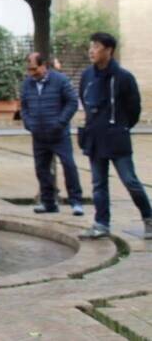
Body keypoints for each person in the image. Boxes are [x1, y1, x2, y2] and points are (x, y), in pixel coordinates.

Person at [77, 32, 151, 240]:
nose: (91, 50)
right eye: (90, 45)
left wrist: (120, 127)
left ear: (109, 50)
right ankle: (101, 223)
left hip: (117, 138)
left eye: (97, 46)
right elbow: (85, 98)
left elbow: (134, 109)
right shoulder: (87, 76)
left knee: (130, 180)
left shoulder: (124, 77)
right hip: (95, 138)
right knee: (98, 184)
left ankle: (148, 218)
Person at [21, 53, 84, 216]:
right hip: (39, 135)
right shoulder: (27, 84)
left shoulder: (60, 80)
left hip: (59, 135)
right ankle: (48, 202)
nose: (31, 73)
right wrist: (29, 123)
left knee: (69, 166)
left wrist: (60, 123)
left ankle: (76, 202)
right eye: (29, 69)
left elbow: (72, 102)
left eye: (34, 69)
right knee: (41, 169)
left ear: (44, 66)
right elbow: (24, 106)